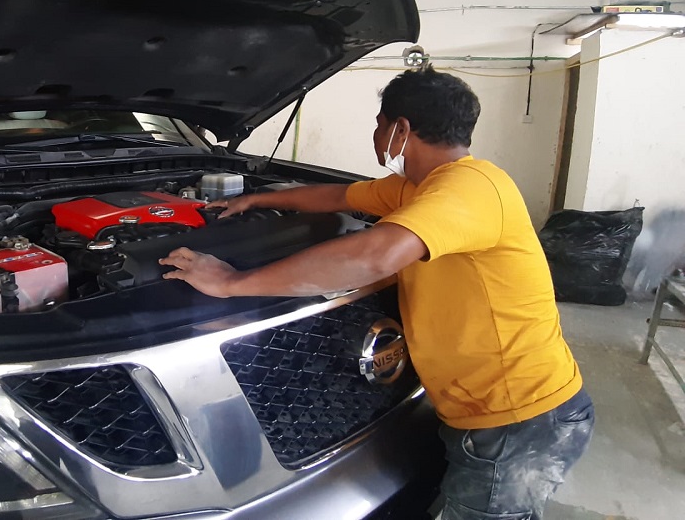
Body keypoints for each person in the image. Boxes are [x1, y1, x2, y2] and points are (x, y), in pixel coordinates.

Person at [160, 67, 594, 520]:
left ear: (400, 130)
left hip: (519, 419)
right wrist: (254, 200)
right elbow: (338, 197)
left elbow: (375, 255)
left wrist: (232, 283)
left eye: (379, 124)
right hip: (484, 412)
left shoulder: (471, 189)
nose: (377, 134)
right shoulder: (420, 187)